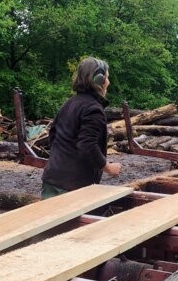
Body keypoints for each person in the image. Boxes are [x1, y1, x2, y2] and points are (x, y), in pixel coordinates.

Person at [41, 57, 122, 199]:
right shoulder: (93, 109)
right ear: (99, 80)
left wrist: (61, 159)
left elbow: (53, 135)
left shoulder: (69, 103)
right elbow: (87, 145)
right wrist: (109, 168)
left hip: (52, 179)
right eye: (107, 78)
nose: (108, 82)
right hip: (72, 187)